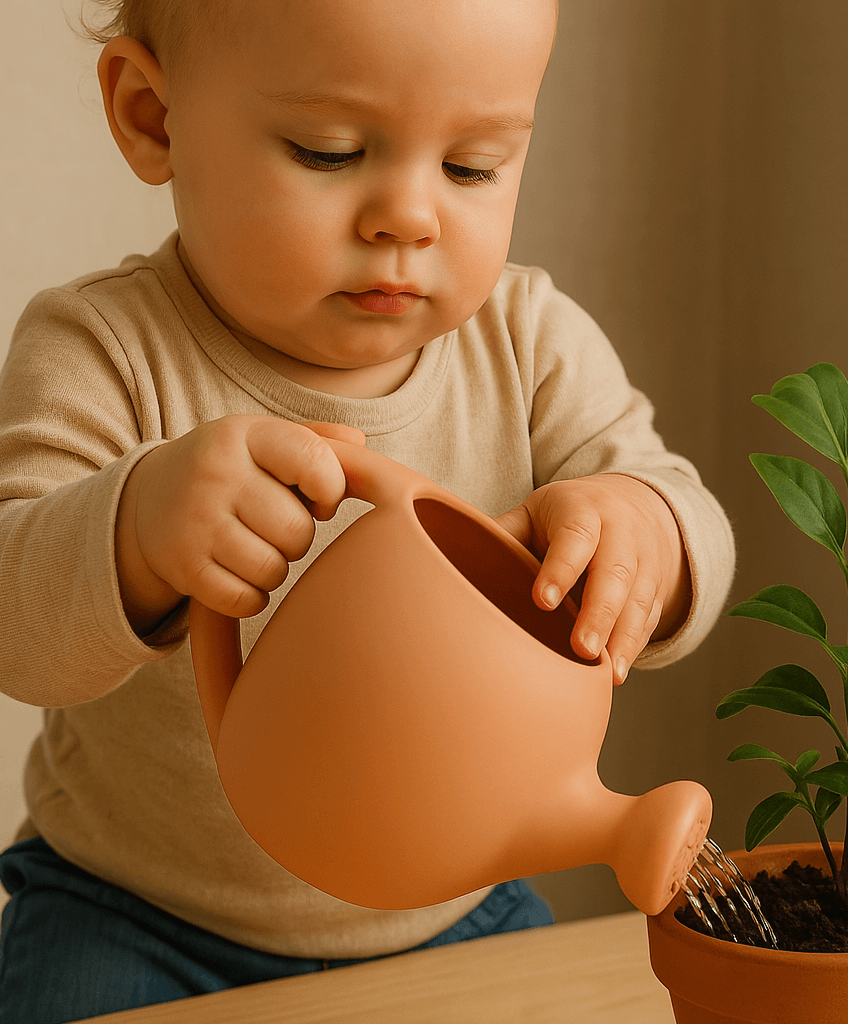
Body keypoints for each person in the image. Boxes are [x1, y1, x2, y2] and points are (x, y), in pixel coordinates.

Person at [0, 0, 735, 1019]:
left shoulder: (528, 345)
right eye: (329, 150)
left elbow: (686, 509)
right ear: (153, 117)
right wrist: (135, 526)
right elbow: (14, 626)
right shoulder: (104, 351)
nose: (409, 216)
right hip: (135, 917)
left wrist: (644, 535)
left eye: (472, 165)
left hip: (455, 907)